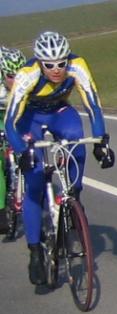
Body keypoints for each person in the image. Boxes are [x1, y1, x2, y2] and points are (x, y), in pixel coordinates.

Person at [4, 31, 114, 285]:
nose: (56, 70)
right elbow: (10, 122)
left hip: (61, 112)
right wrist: (21, 151)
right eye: (49, 65)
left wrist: (101, 142)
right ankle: (34, 250)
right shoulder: (27, 74)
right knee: (34, 182)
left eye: (61, 63)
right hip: (29, 118)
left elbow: (93, 105)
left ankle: (74, 194)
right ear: (39, 62)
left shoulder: (78, 65)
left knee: (76, 137)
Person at [0, 46, 26, 234]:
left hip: (15, 117)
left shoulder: (28, 82)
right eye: (10, 76)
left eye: (19, 76)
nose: (16, 81)